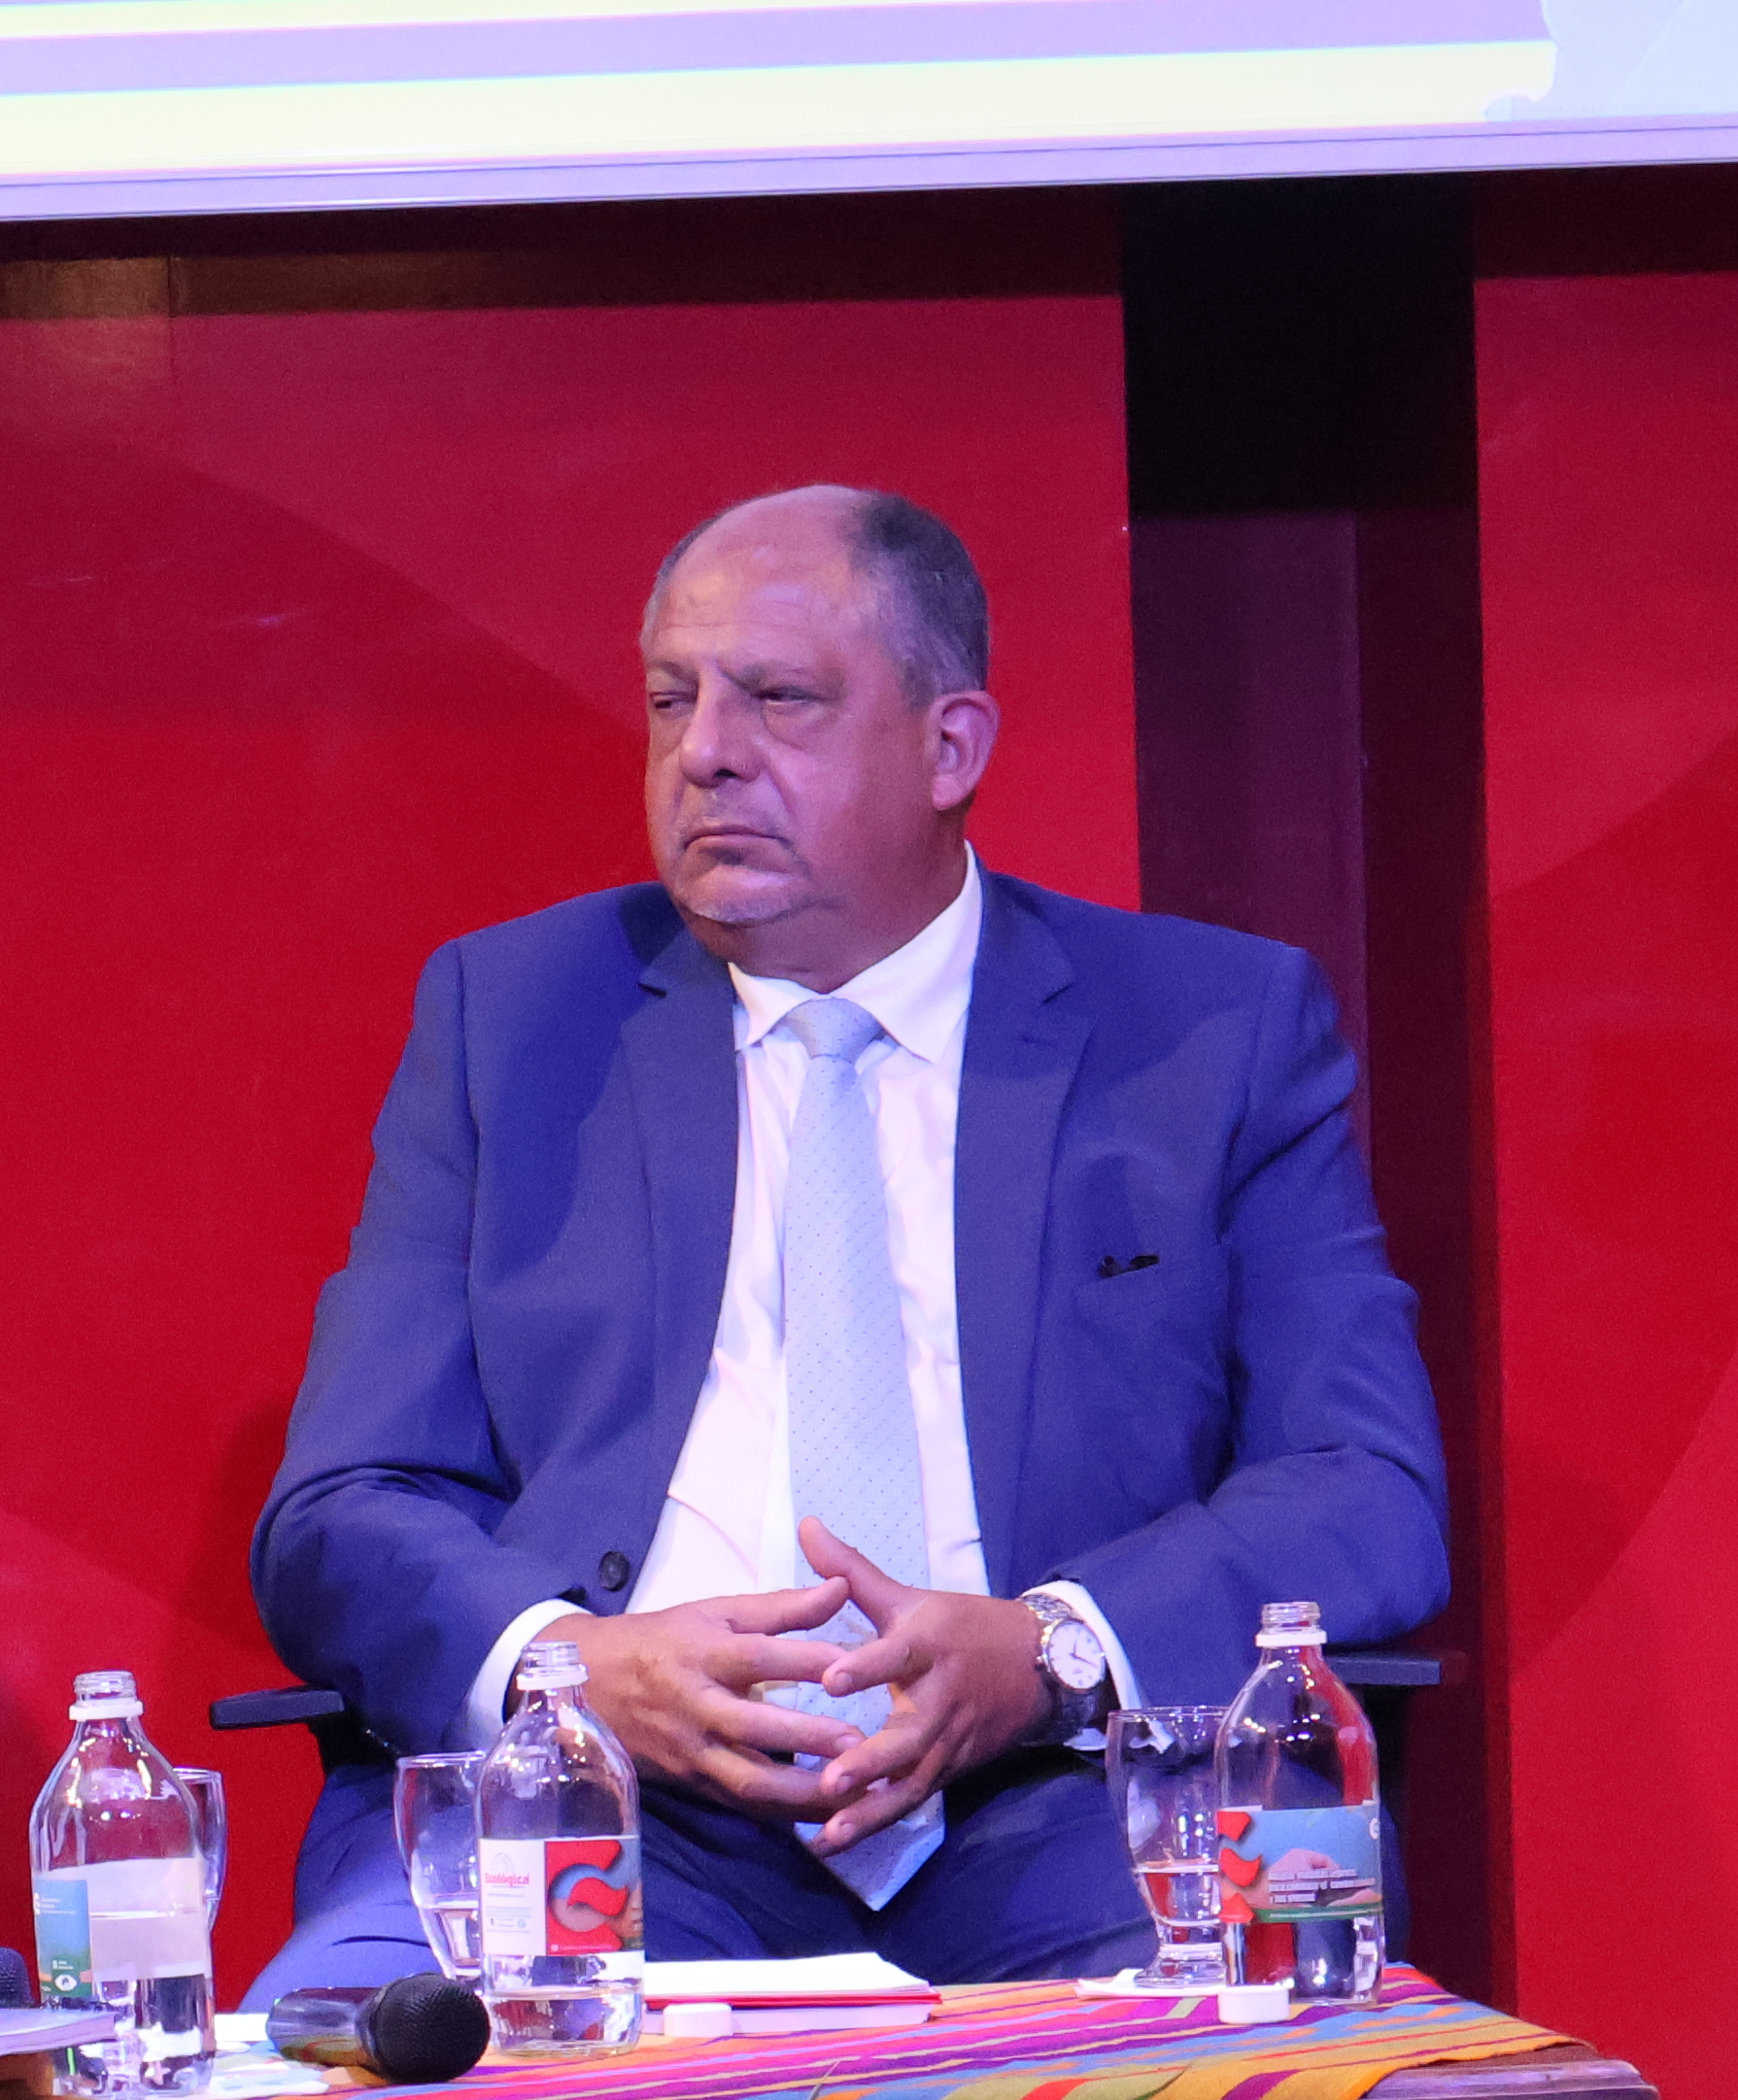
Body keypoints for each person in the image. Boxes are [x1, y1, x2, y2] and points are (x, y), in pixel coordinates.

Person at [246, 483, 1448, 1991]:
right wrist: (572, 1666)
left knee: (1299, 2075)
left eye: (780, 701)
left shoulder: (1210, 1033)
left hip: (1075, 1806)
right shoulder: (511, 1023)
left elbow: (1367, 1485)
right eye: (674, 699)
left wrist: (1052, 1653)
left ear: (952, 748)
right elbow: (340, 1511)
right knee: (350, 2069)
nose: (706, 754)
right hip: (611, 1816)